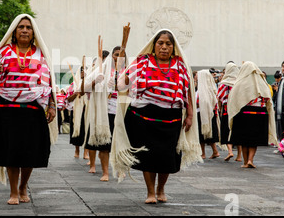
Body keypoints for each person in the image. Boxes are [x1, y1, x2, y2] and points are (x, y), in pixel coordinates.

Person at [0, 14, 58, 205]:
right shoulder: (2, 53)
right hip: (6, 110)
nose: (25, 30)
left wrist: (52, 105)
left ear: (33, 32)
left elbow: (50, 83)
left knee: (29, 154)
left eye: (28, 27)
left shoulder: (41, 55)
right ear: (14, 31)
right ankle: (13, 191)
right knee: (11, 153)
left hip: (32, 111)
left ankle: (23, 186)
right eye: (21, 27)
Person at [111, 29, 201, 204]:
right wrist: (123, 75)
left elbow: (187, 92)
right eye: (161, 43)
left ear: (173, 47)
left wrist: (190, 115)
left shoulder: (181, 65)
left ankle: (161, 189)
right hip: (145, 117)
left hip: (171, 117)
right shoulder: (142, 62)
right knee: (149, 157)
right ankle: (150, 192)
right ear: (154, 46)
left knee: (166, 156)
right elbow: (121, 85)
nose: (164, 47)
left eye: (168, 44)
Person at [227, 61, 277, 168]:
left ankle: (245, 162)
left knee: (244, 139)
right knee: (254, 140)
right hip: (260, 114)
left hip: (244, 114)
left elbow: (233, 99)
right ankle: (250, 160)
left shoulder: (240, 83)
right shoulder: (262, 82)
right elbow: (268, 98)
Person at [83, 49, 112, 181]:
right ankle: (97, 166)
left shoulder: (123, 72)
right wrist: (96, 81)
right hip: (98, 113)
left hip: (115, 113)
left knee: (113, 144)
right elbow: (83, 89)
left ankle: (118, 168)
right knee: (96, 142)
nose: (118, 58)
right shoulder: (97, 71)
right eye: (116, 55)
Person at [217, 62, 241, 162]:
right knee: (238, 132)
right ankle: (239, 156)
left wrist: (219, 108)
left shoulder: (223, 83)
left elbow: (219, 98)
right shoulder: (239, 82)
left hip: (227, 110)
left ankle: (230, 151)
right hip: (237, 111)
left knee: (227, 131)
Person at [197, 69, 221, 159]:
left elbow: (203, 101)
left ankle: (204, 153)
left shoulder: (203, 90)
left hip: (204, 114)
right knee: (206, 135)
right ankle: (213, 151)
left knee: (203, 134)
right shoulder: (211, 88)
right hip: (208, 113)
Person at [66, 66, 89, 159]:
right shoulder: (73, 84)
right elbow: (68, 98)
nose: (83, 73)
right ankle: (77, 150)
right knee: (77, 130)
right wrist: (76, 93)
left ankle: (86, 152)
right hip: (76, 110)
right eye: (81, 71)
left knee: (87, 130)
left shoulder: (89, 84)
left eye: (85, 71)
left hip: (87, 110)